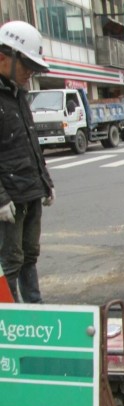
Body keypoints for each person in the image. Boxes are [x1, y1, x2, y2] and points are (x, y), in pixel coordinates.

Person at [0, 21, 55, 303]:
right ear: (3, 57)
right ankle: (10, 319)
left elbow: (31, 143)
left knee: (29, 255)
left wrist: (45, 181)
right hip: (10, 198)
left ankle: (34, 308)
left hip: (30, 190)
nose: (30, 73)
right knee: (10, 260)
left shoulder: (18, 95)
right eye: (26, 65)